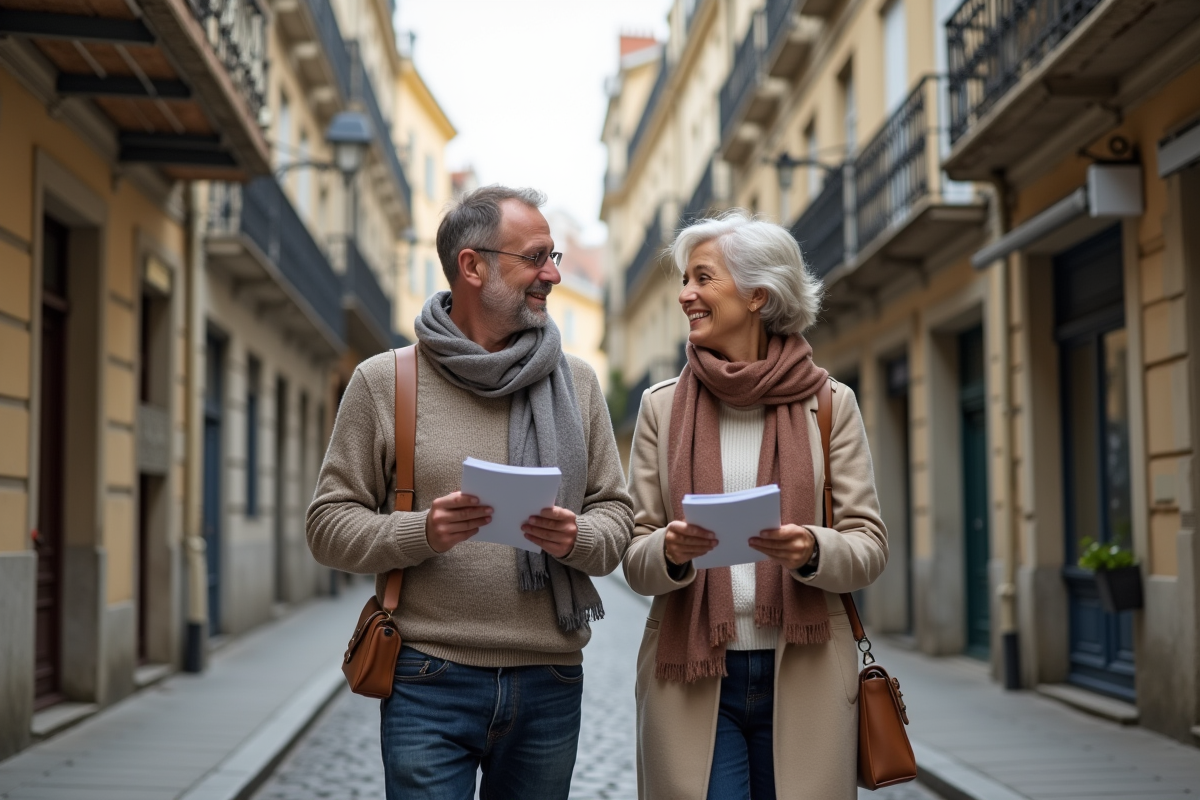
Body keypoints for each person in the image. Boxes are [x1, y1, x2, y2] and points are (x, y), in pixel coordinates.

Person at [307, 186, 634, 800]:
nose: (553, 274)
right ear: (473, 266)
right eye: (535, 257)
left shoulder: (579, 384)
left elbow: (617, 516)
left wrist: (577, 537)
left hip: (550, 680)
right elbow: (327, 525)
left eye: (555, 256)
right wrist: (421, 532)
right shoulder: (386, 382)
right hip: (426, 677)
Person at [622, 211, 888, 799]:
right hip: (691, 675)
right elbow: (634, 551)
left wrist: (812, 548)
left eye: (703, 278)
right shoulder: (661, 409)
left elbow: (869, 545)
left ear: (758, 295)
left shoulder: (831, 404)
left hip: (809, 671)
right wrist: (667, 549)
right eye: (684, 279)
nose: (685, 295)